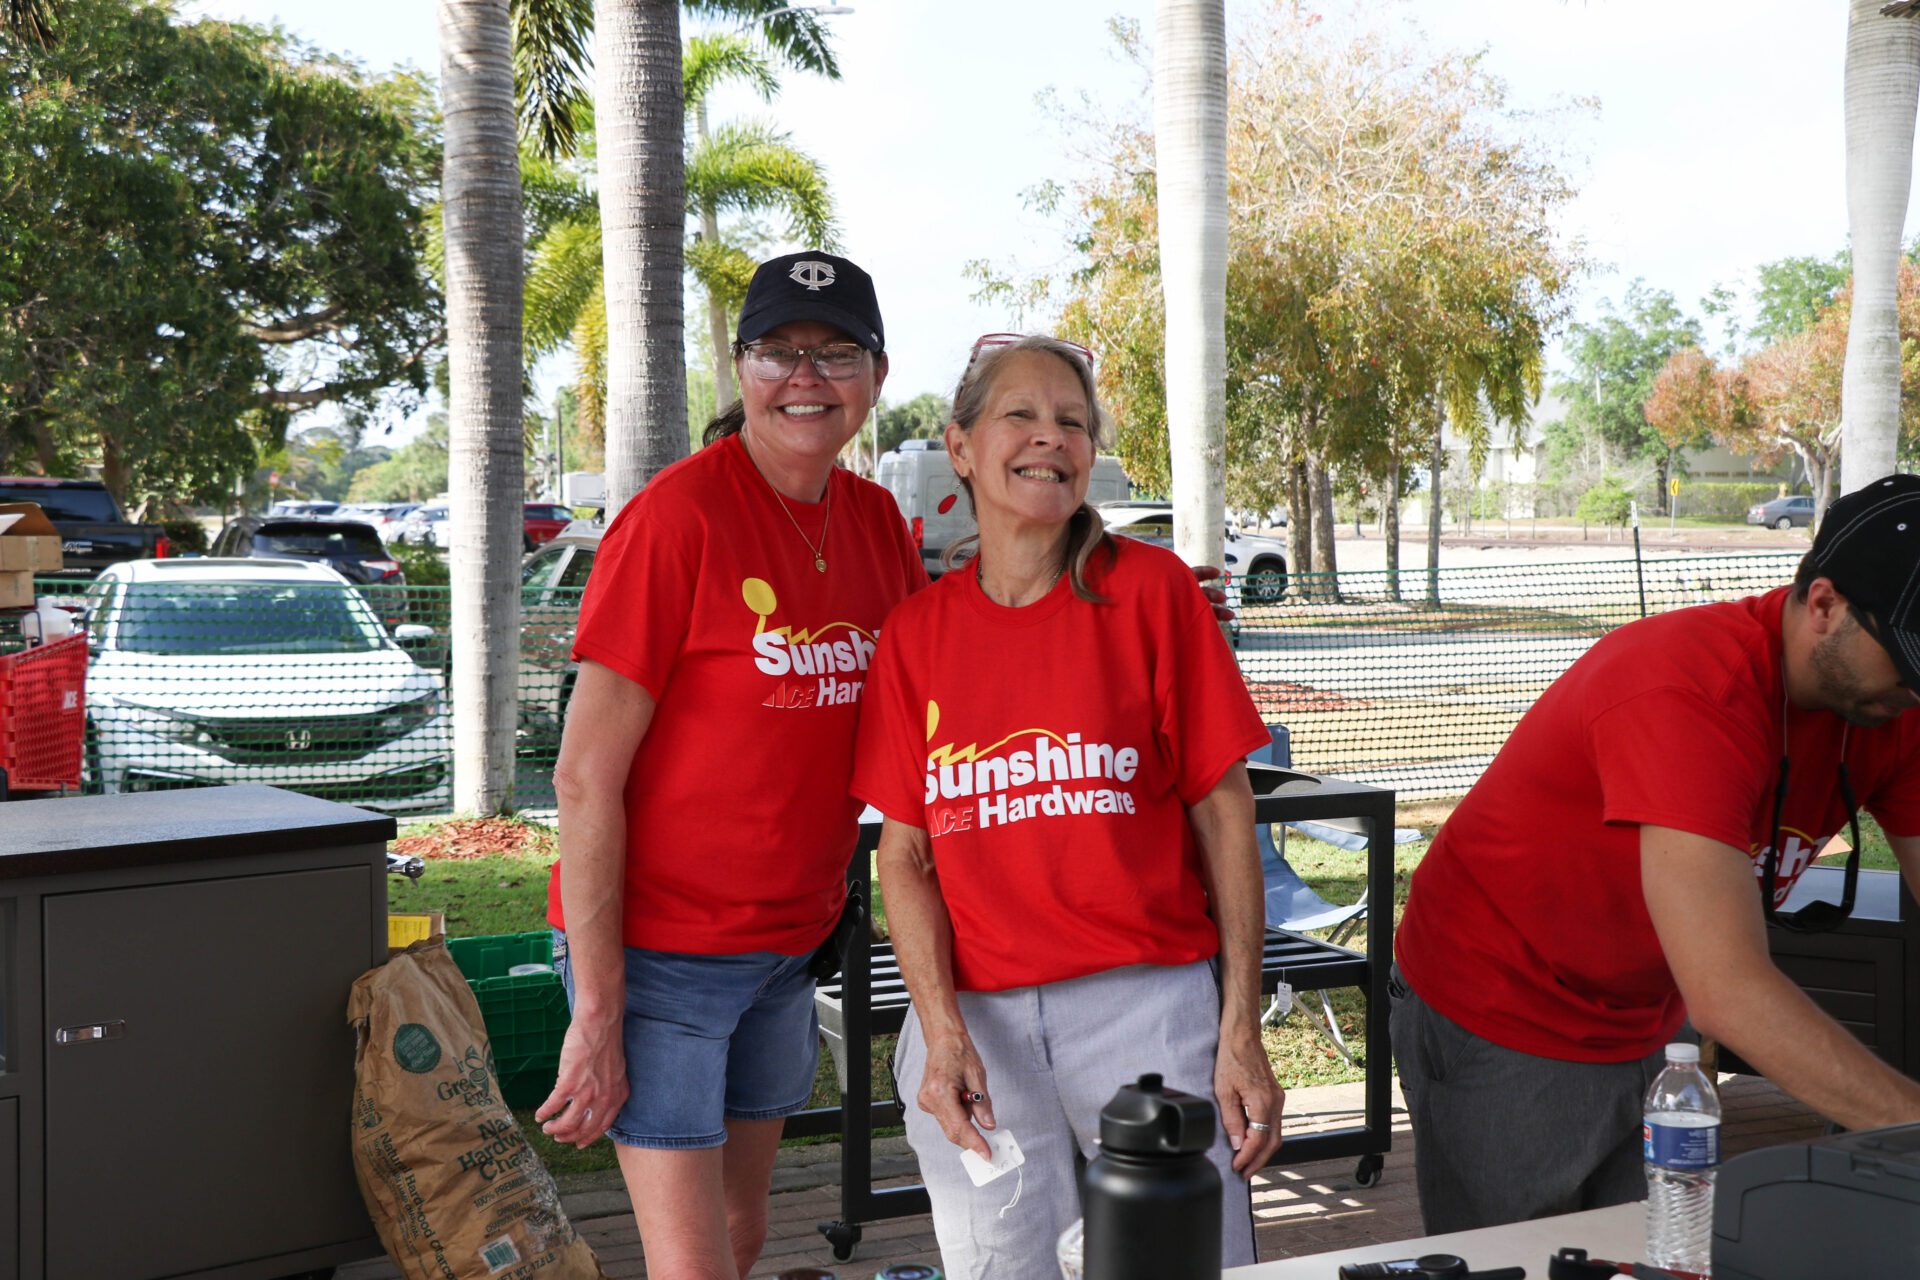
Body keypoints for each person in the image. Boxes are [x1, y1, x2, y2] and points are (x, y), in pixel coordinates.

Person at [851, 334, 1286, 1280]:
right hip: (976, 1025)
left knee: (1183, 1268)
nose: (1050, 437)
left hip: (1147, 1010)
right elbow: (906, 856)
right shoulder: (916, 634)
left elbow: (1224, 812)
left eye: (1072, 422)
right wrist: (941, 1033)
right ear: (961, 447)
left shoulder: (1152, 594)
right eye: (1021, 414)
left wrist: (1240, 1027)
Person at [534, 251, 927, 1280]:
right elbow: (583, 777)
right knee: (694, 1264)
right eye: (777, 351)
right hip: (659, 954)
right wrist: (600, 1010)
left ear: (877, 375)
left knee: (744, 1232)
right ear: (741, 368)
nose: (806, 376)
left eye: (836, 352)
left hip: (789, 946)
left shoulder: (880, 525)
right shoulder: (677, 519)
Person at [1390, 473, 1920, 1234]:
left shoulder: (1889, 707)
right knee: (1523, 1256)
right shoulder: (1688, 688)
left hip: (1646, 1012)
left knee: (1659, 1248)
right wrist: (1908, 1127)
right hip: (1505, 1000)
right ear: (1825, 606)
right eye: (1907, 657)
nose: (1916, 691)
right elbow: (1728, 992)